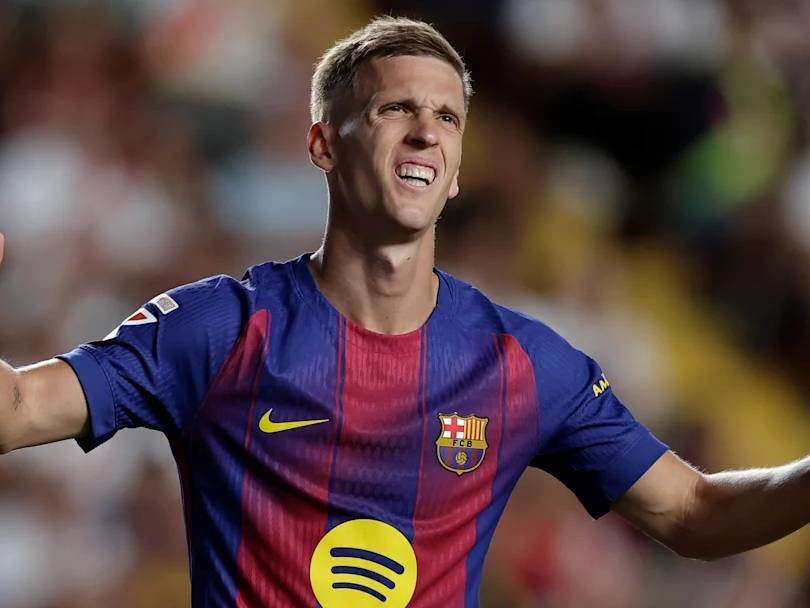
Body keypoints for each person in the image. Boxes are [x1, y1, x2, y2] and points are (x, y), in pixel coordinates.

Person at [0, 16, 807, 608]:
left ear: (455, 171)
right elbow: (19, 410)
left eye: (447, 118)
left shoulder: (525, 363)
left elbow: (697, 513)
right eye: (395, 109)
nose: (426, 132)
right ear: (324, 144)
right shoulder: (222, 330)